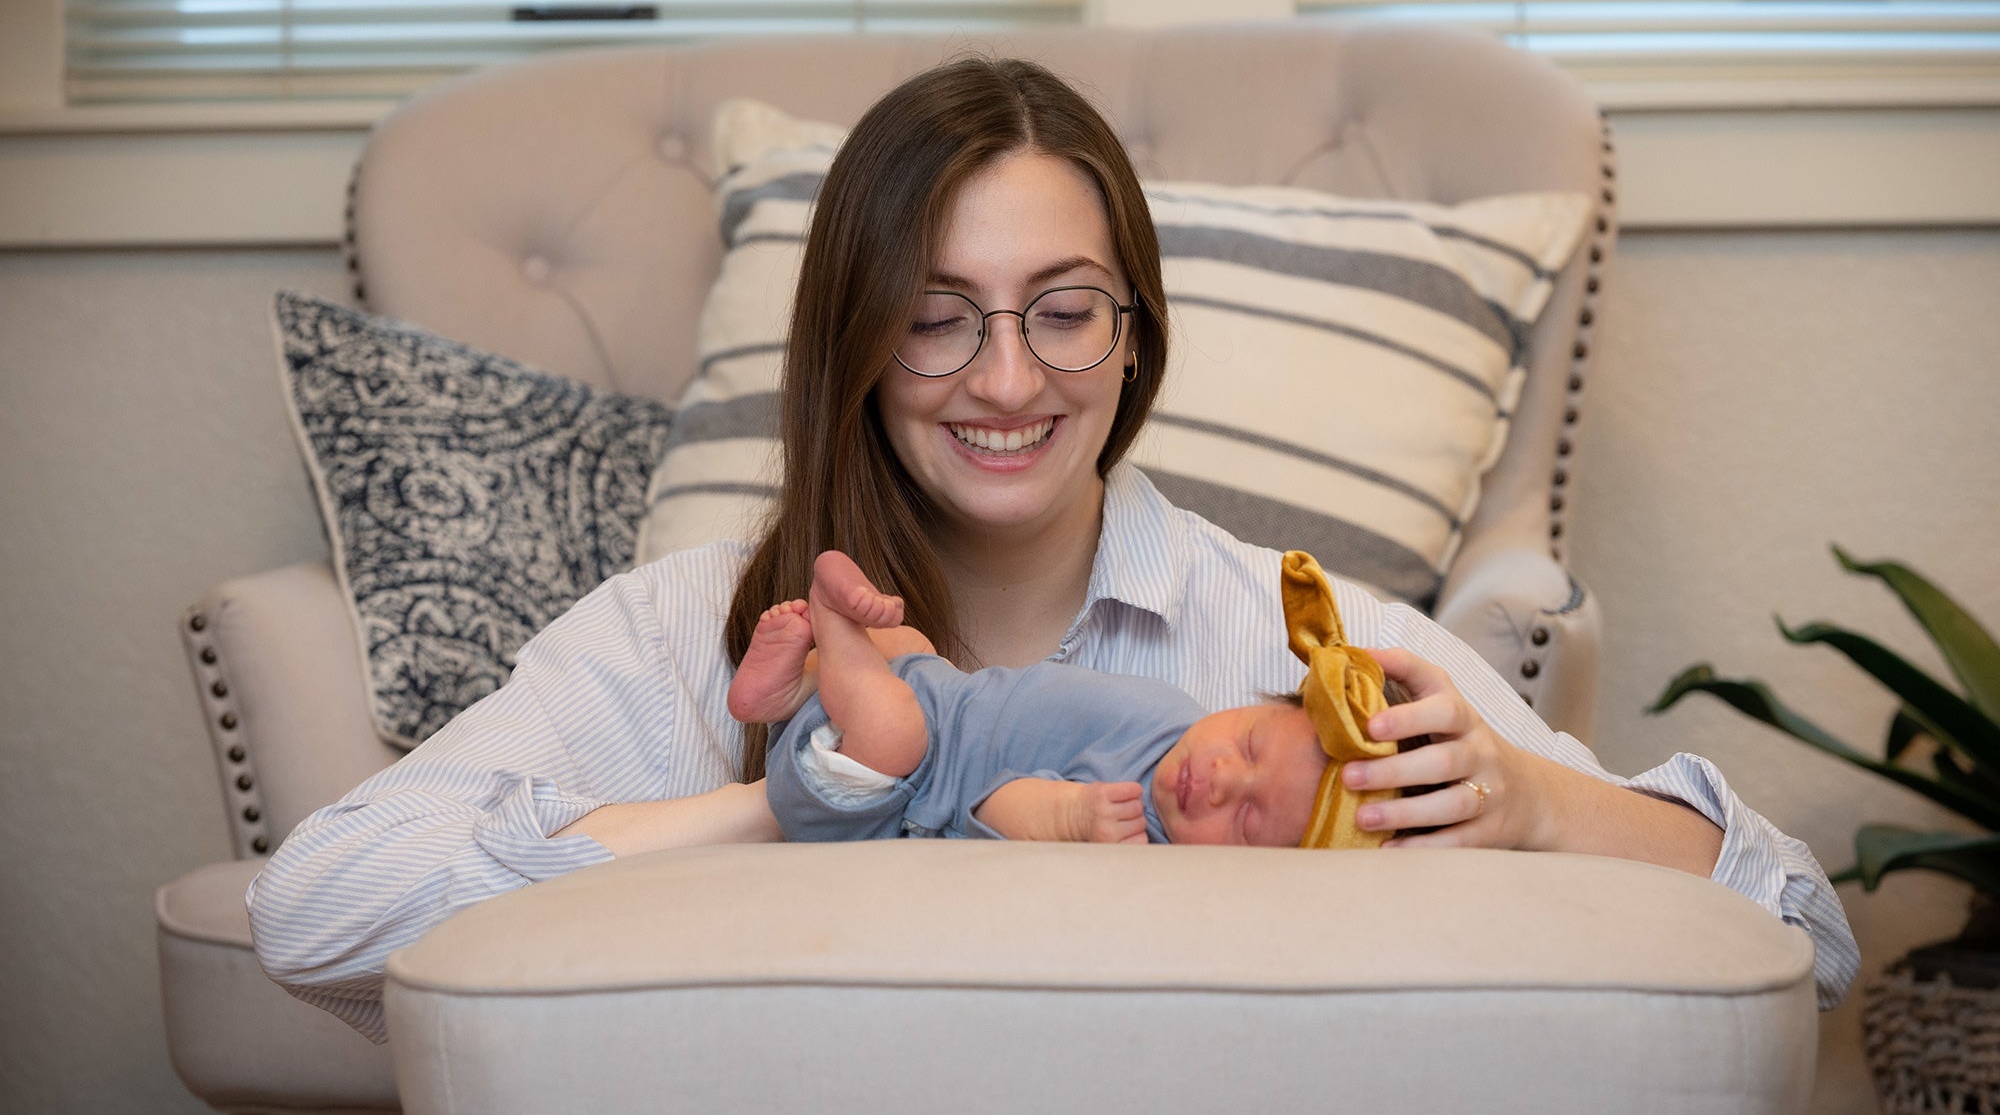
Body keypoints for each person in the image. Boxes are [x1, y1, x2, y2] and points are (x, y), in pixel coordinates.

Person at [248, 56, 1860, 1044]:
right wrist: (817, 796)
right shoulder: (694, 633)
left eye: (1062, 311)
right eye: (936, 322)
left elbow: (1802, 935)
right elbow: (317, 911)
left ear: (1134, 333)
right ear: (858, 349)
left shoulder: (1288, 651)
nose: (1008, 381)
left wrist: (1529, 807)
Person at [735, 548, 1412, 848]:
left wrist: (1068, 817)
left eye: (1249, 819)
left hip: (883, 795)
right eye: (1251, 742)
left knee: (892, 727)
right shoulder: (1174, 718)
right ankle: (795, 687)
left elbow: (990, 806)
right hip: (937, 695)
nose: (1221, 779)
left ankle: (833, 624)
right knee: (911, 647)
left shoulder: (1127, 825)